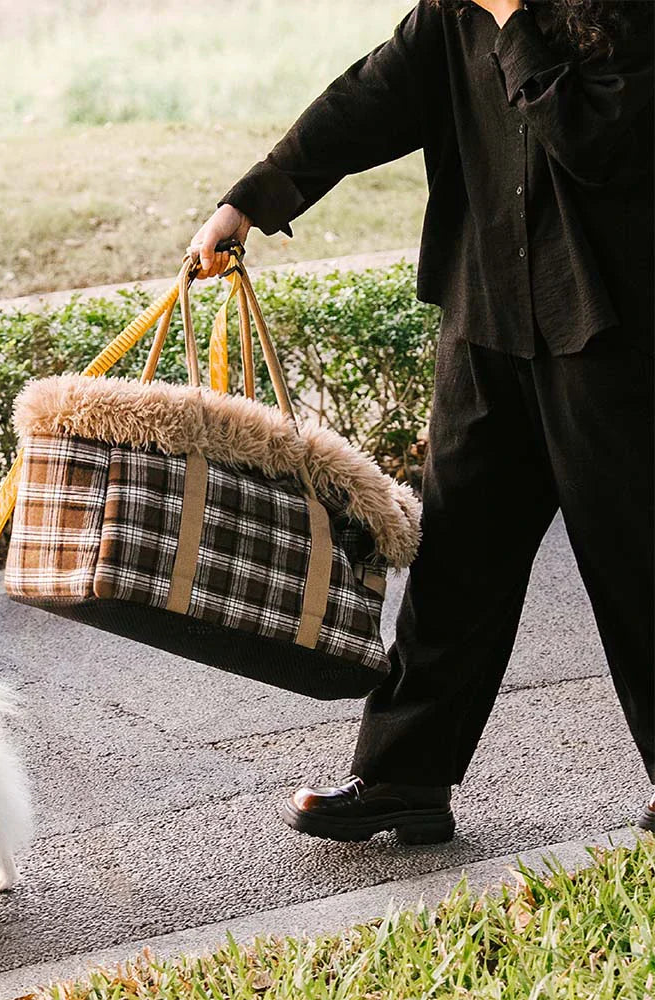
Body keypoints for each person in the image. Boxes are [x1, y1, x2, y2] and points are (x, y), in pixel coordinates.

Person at [190, 0, 654, 843]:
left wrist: (515, 24)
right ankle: (403, 779)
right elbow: (361, 102)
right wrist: (247, 204)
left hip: (611, 335)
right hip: (487, 323)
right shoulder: (450, 20)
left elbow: (602, 146)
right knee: (455, 561)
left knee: (637, 561)